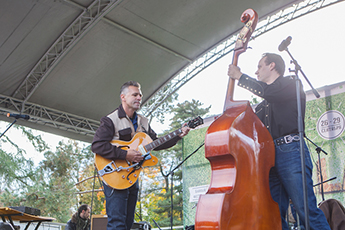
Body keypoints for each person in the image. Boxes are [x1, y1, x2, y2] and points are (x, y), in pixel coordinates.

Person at [227, 53, 330, 230]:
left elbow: (268, 91)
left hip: (291, 150)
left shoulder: (291, 83)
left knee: (305, 209)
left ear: (272, 65)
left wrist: (240, 77)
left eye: (260, 66)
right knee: (274, 213)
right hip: (270, 157)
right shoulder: (264, 104)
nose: (256, 71)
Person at [91, 81, 190, 230]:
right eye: (135, 95)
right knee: (116, 223)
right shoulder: (110, 120)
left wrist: (178, 135)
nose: (139, 98)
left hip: (132, 176)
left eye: (140, 95)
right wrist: (125, 154)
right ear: (123, 97)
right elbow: (97, 146)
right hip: (115, 174)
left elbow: (156, 143)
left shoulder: (143, 121)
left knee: (128, 223)